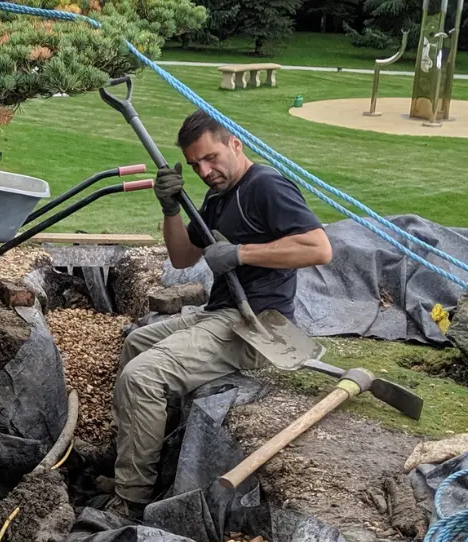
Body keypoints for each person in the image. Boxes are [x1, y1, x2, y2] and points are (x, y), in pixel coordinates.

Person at [105, 110, 332, 519]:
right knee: (136, 342)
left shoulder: (266, 186)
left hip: (255, 324)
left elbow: (319, 248)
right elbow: (181, 255)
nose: (205, 171)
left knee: (142, 376)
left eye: (211, 158)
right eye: (195, 165)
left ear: (235, 144)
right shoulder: (215, 196)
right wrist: (170, 209)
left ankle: (132, 499)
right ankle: (142, 457)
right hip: (221, 311)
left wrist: (243, 253)